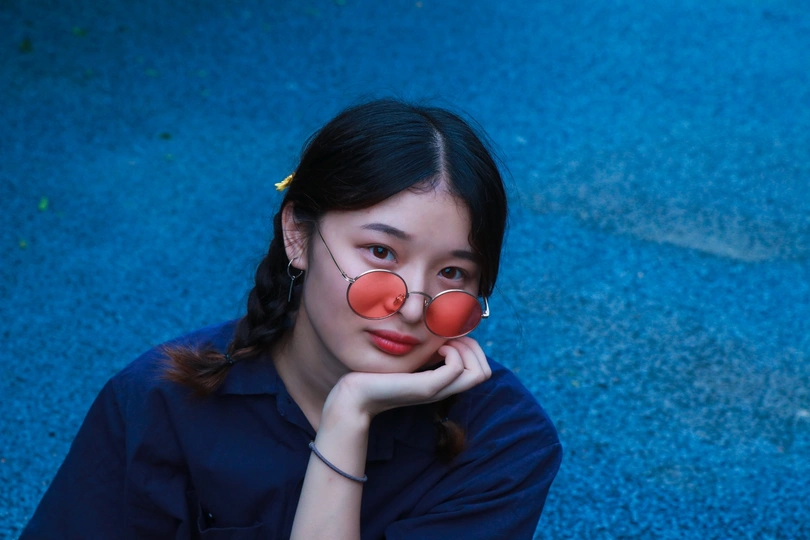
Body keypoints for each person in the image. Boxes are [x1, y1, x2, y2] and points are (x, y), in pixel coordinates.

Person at [21, 99, 562, 539]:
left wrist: (347, 416)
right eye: (380, 253)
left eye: (452, 273)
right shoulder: (159, 401)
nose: (414, 306)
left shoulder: (503, 440)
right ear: (298, 236)